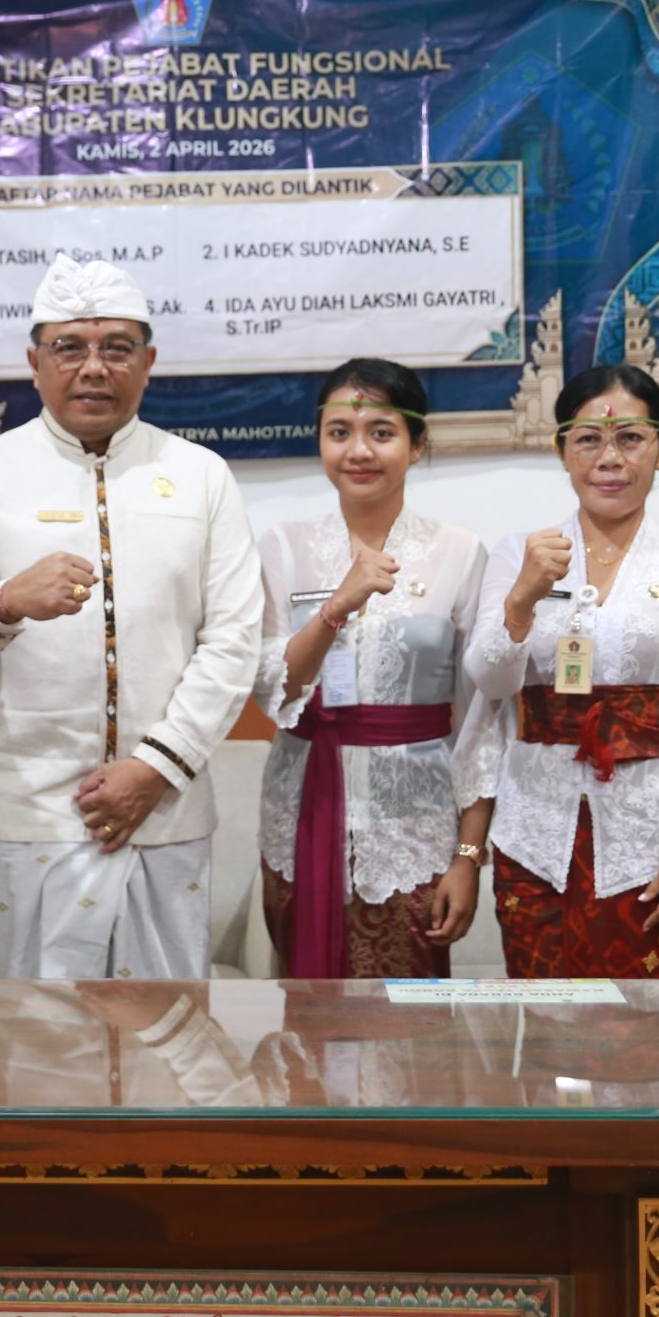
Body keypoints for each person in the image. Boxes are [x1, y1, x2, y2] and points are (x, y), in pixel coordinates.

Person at [0, 255, 262, 980]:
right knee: (39, 1053)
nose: (94, 367)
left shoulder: (200, 476)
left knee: (165, 1045)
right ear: (35, 363)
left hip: (165, 808)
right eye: (70, 347)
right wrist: (4, 600)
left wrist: (152, 767)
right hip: (30, 815)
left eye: (117, 348)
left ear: (149, 362)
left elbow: (233, 641)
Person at [459, 363, 659, 979]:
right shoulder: (521, 553)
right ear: (562, 450)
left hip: (655, 846)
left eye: (631, 438)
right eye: (589, 439)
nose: (609, 457)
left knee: (645, 1044)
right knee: (545, 1040)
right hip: (534, 837)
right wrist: (521, 599)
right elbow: (489, 681)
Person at [254, 358, 489, 978]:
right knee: (305, 1025)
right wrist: (338, 604)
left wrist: (468, 854)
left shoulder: (460, 554)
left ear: (417, 445)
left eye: (381, 433)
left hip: (417, 829)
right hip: (300, 814)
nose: (359, 451)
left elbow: (479, 721)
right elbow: (271, 689)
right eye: (340, 432)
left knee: (409, 1037)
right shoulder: (282, 546)